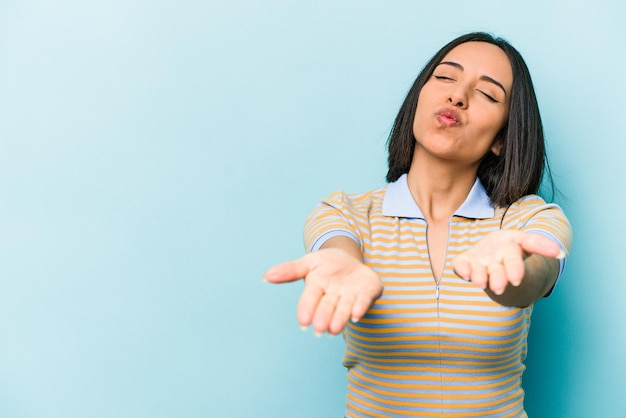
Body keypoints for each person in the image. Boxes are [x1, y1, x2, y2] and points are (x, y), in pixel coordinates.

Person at [263, 32, 573, 417]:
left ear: (502, 140)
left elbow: (535, 274)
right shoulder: (345, 212)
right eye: (445, 78)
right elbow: (337, 248)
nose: (457, 96)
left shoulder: (528, 219)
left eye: (489, 95)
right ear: (418, 100)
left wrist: (513, 273)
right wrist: (345, 266)